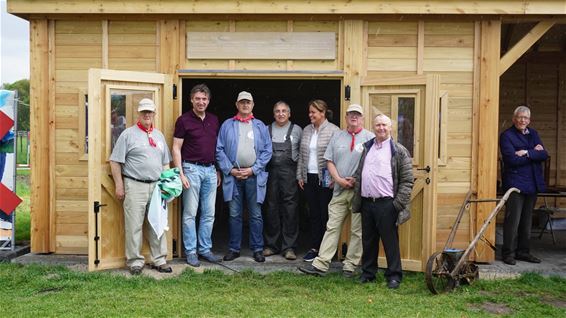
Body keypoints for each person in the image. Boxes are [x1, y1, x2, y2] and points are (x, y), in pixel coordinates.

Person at [298, 104, 374, 277]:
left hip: (359, 192)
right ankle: (321, 265)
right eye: (351, 114)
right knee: (332, 226)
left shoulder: (370, 138)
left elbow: (373, 164)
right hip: (339, 190)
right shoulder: (338, 136)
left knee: (357, 230)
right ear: (346, 117)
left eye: (357, 115)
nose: (354, 117)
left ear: (362, 118)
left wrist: (356, 179)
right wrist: (338, 179)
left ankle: (350, 266)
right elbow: (329, 161)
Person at [109, 98, 173, 275]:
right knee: (134, 224)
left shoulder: (158, 135)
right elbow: (115, 161)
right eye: (144, 112)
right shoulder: (128, 134)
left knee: (157, 224)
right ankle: (135, 261)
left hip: (157, 187)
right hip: (135, 184)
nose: (147, 115)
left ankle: (159, 259)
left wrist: (167, 184)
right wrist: (119, 185)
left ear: (154, 114)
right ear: (139, 113)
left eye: (149, 112)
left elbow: (166, 163)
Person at [353, 114, 413, 289]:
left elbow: (407, 181)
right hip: (367, 202)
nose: (381, 128)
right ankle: (368, 273)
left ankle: (394, 276)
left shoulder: (399, 150)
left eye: (384, 125)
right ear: (373, 127)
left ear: (390, 128)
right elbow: (359, 172)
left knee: (390, 242)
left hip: (387, 204)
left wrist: (397, 204)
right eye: (378, 125)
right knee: (368, 241)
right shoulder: (367, 147)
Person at [216, 91, 272, 263]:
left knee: (255, 214)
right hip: (233, 176)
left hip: (253, 176)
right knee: (234, 214)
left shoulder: (260, 126)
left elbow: (267, 151)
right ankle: (234, 248)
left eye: (248, 102)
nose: (245, 105)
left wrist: (253, 169)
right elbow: (219, 150)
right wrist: (230, 170)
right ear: (237, 105)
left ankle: (257, 249)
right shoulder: (227, 125)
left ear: (253, 105)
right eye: (242, 102)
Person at [172, 84, 221, 267]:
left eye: (204, 99)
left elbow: (215, 147)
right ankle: (191, 251)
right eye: (198, 99)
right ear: (191, 100)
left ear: (208, 101)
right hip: (191, 169)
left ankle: (205, 249)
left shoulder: (214, 120)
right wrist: (180, 173)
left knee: (209, 213)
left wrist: (216, 169)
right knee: (190, 213)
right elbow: (176, 148)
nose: (201, 102)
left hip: (210, 170)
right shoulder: (184, 120)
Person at [499, 105, 547, 265]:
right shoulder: (506, 136)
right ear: (514, 119)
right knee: (513, 220)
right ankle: (508, 253)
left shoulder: (533, 134)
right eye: (520, 117)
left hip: (532, 184)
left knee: (526, 221)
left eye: (525, 118)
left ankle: (523, 252)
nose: (522, 120)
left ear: (529, 120)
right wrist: (534, 153)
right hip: (515, 184)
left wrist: (526, 152)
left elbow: (544, 154)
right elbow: (512, 160)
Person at [296, 99, 340, 262]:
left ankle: (327, 250)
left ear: (322, 113)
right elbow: (301, 154)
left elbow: (337, 156)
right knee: (313, 214)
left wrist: (335, 177)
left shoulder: (334, 130)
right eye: (309, 112)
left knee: (325, 214)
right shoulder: (307, 130)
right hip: (309, 177)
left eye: (313, 112)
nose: (310, 115)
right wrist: (300, 175)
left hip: (326, 179)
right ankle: (315, 248)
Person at [263, 101, 302, 260]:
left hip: (290, 175)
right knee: (271, 208)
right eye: (277, 111)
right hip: (271, 173)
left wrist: (300, 175)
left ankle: (289, 247)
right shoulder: (266, 129)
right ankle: (271, 245)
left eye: (284, 111)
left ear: (289, 113)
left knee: (290, 210)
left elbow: (304, 154)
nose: (281, 114)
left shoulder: (298, 130)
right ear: (273, 114)